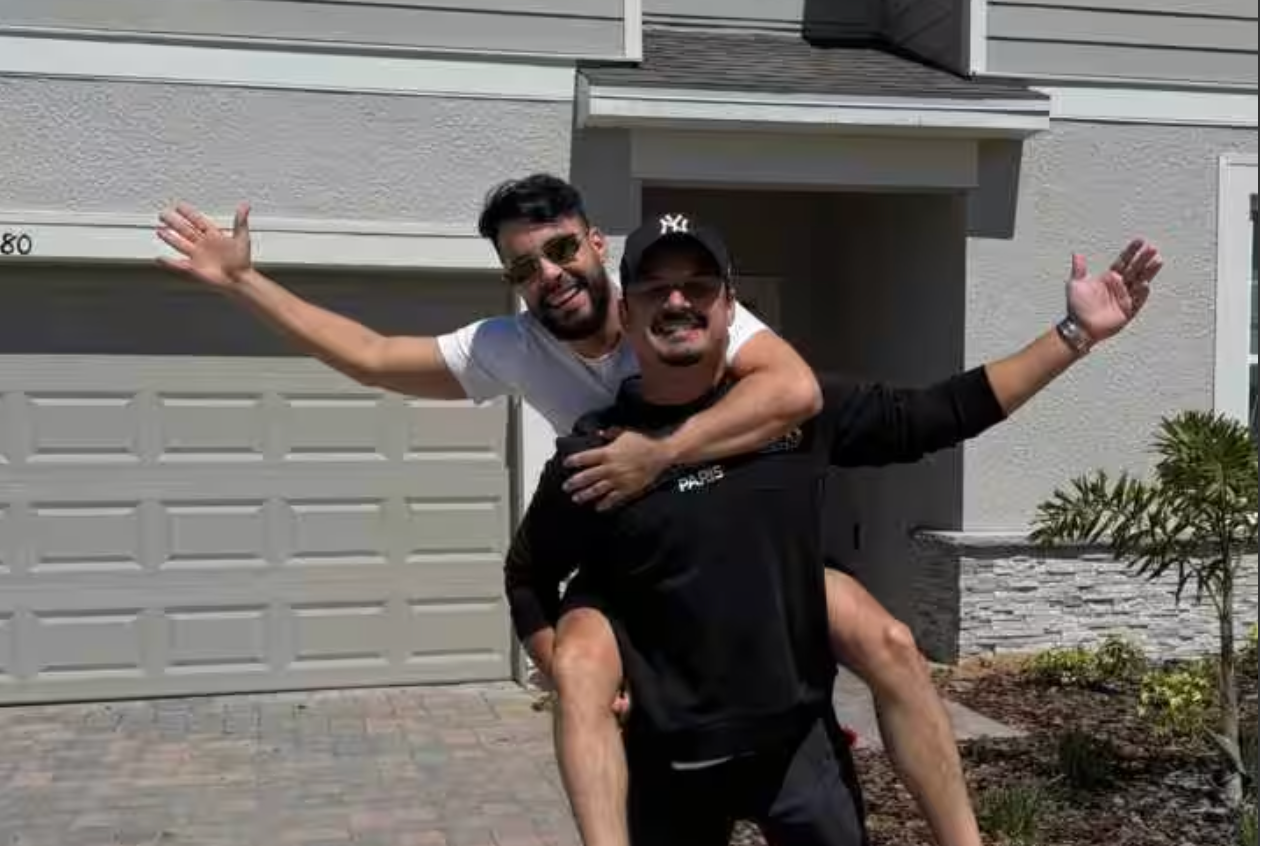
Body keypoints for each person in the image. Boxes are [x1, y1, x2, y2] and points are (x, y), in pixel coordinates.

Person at [153, 175, 1162, 846]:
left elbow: (841, 401)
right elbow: (378, 358)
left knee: (886, 637)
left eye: (562, 250)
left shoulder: (709, 322)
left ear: (603, 251)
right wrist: (245, 285)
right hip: (631, 558)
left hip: (742, 548)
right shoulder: (523, 357)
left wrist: (1075, 337)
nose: (549, 276)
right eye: (523, 267)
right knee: (580, 661)